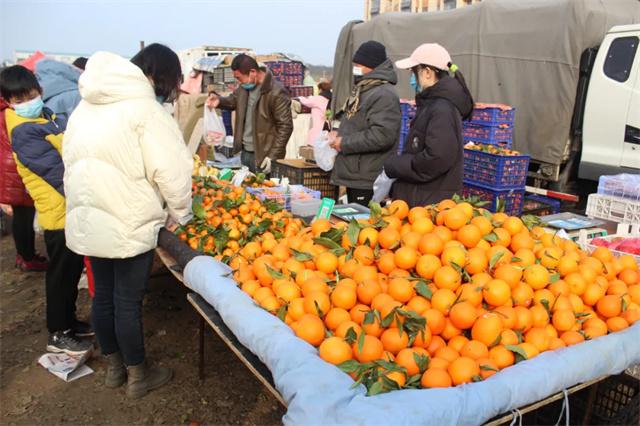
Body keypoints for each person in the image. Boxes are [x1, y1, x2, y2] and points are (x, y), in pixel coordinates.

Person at [62, 44, 193, 399]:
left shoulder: (84, 107)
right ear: (162, 75)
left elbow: (69, 161)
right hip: (129, 219)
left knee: (102, 296)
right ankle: (138, 375)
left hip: (89, 218)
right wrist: (181, 214)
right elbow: (173, 172)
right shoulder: (145, 111)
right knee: (127, 301)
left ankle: (114, 369)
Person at [0, 65, 93, 355]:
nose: (28, 100)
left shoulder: (45, 117)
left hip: (69, 210)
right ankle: (59, 332)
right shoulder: (24, 131)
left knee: (71, 268)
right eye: (19, 99)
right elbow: (57, 174)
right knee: (61, 274)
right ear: (8, 101)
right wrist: (90, 194)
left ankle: (69, 321)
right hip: (58, 214)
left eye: (31, 93)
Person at [384, 43, 474, 207]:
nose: (412, 78)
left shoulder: (441, 109)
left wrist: (396, 165)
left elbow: (436, 158)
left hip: (427, 206)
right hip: (422, 200)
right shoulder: (433, 105)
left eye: (413, 72)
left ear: (427, 72)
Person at [329, 41, 401, 206]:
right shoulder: (364, 89)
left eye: (359, 64)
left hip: (368, 177)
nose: (355, 68)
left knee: (365, 226)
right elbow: (357, 124)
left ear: (372, 66)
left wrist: (344, 142)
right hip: (356, 173)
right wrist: (338, 134)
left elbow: (382, 135)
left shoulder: (383, 95)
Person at [207, 54, 293, 174]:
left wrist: (273, 155)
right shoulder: (244, 88)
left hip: (263, 155)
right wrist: (219, 101)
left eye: (239, 78)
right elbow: (234, 100)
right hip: (245, 152)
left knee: (264, 190)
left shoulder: (276, 92)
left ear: (253, 72)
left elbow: (285, 126)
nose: (239, 82)